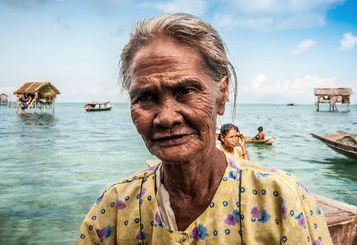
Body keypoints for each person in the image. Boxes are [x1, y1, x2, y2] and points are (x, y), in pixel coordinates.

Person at [78, 13, 332, 244]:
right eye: (145, 97)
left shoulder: (281, 199)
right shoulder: (113, 209)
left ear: (222, 94)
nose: (166, 118)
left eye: (186, 90)